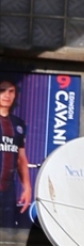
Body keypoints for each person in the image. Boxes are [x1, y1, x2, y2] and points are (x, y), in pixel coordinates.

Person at [0, 80, 31, 228]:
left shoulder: (18, 124)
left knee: (6, 231)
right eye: (2, 91)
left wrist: (27, 187)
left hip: (8, 190)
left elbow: (21, 159)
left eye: (11, 91)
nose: (7, 95)